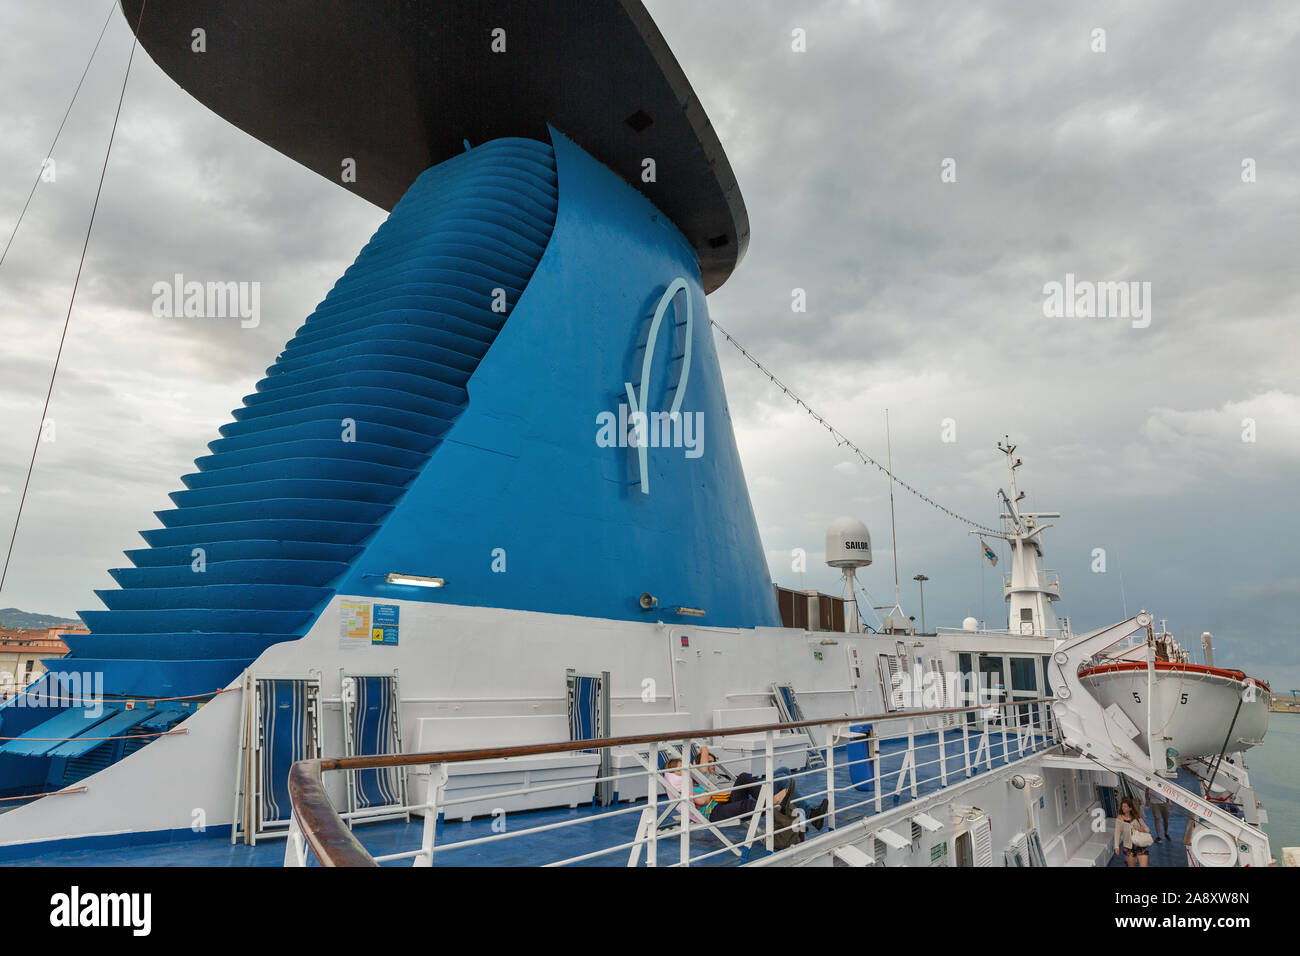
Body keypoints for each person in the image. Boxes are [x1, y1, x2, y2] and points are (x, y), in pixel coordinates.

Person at [1113, 799, 1151, 867]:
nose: (1123, 808)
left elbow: (1147, 829)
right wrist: (1116, 846)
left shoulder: (1137, 817)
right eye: (1122, 806)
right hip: (1129, 847)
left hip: (1141, 844)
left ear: (1130, 808)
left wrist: (1139, 829)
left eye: (1125, 806)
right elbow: (1117, 833)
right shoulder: (1119, 818)